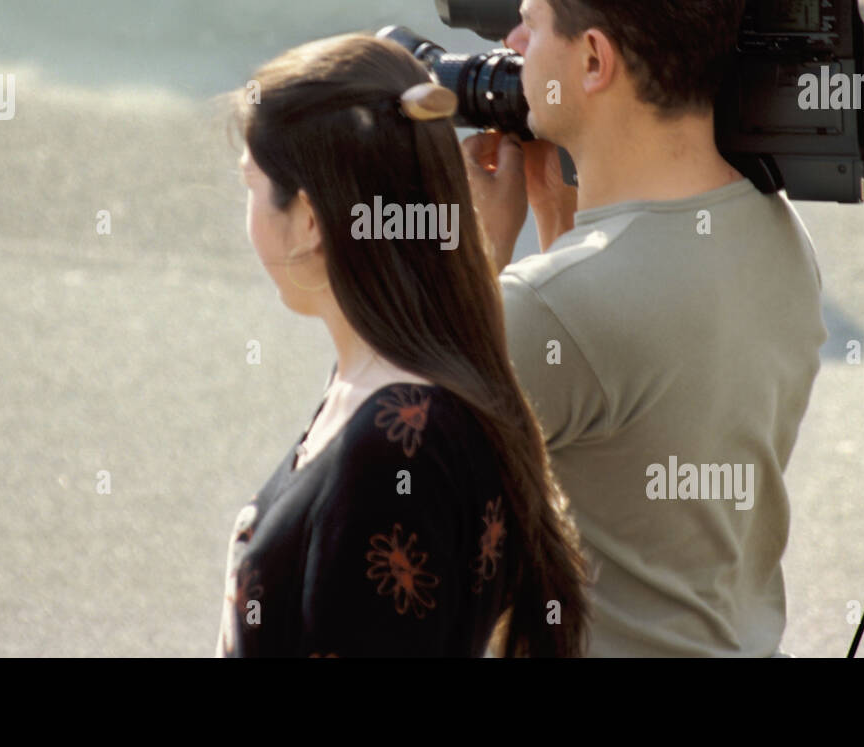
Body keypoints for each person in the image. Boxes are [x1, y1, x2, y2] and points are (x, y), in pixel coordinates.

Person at [461, 0, 828, 657]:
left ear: (593, 61)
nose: (512, 46)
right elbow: (621, 438)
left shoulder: (554, 306)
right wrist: (564, 232)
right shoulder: (777, 233)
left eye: (528, 23)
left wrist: (479, 255)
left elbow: (389, 465)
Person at [216, 32, 591, 657]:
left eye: (251, 186)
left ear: (309, 221)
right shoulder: (387, 397)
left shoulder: (394, 448)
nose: (247, 216)